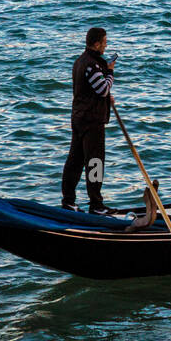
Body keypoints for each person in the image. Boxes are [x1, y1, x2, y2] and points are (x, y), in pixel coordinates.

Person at [61, 26, 117, 214]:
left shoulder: (79, 61)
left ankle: (68, 201)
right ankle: (96, 204)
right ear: (96, 43)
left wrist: (105, 97)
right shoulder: (93, 64)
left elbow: (89, 90)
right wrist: (110, 72)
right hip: (92, 121)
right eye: (104, 42)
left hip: (78, 118)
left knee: (75, 161)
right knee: (95, 162)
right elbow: (102, 88)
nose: (106, 45)